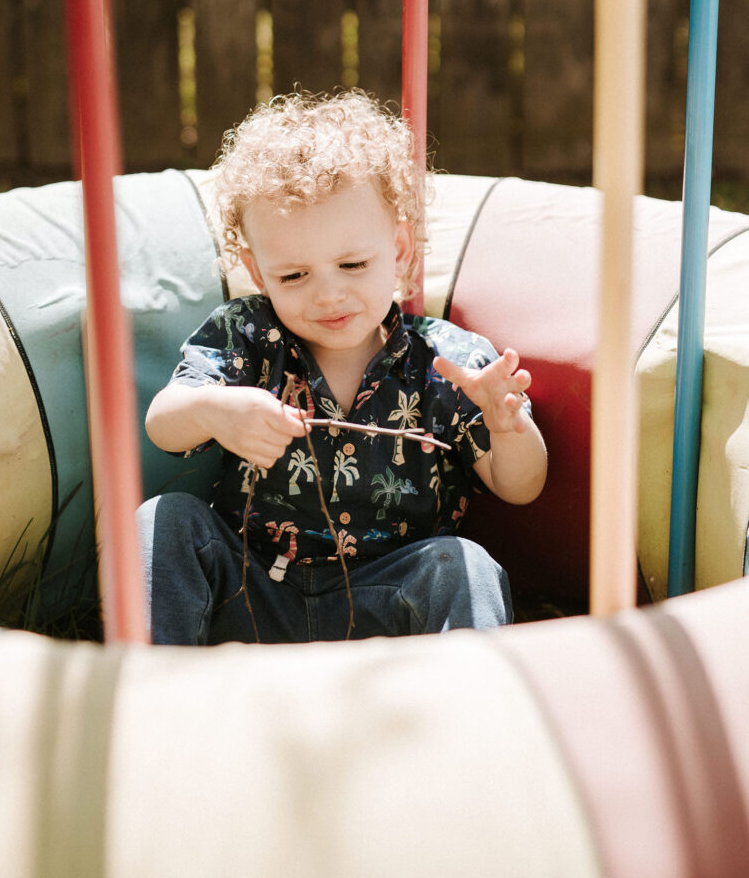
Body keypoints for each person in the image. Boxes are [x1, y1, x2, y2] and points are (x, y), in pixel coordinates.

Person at [139, 90, 547, 644]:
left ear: (400, 250)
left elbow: (520, 487)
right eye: (293, 276)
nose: (329, 295)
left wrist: (508, 426)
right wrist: (216, 409)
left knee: (463, 564)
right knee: (166, 518)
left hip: (391, 601)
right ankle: (154, 691)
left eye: (353, 264)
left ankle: (464, 710)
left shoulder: (446, 362)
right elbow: (163, 423)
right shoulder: (247, 334)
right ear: (259, 274)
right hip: (253, 591)